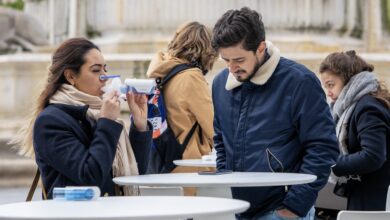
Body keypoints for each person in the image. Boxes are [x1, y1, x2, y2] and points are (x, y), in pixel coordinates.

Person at [211, 7, 339, 220]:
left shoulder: (299, 82)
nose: (231, 68)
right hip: (236, 209)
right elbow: (221, 140)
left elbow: (323, 147)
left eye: (239, 60)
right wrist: (226, 188)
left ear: (260, 48)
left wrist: (294, 206)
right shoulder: (220, 84)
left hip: (282, 210)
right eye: (226, 60)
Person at [11, 38, 152, 198]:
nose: (105, 77)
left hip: (111, 212)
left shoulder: (97, 112)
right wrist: (107, 122)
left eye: (105, 69)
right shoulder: (51, 121)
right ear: (71, 76)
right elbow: (90, 176)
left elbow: (134, 172)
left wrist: (140, 126)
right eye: (96, 70)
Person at [319, 50, 390, 211]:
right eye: (326, 87)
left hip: (376, 200)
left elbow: (373, 156)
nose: (328, 93)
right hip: (365, 196)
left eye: (331, 85)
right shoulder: (352, 108)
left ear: (348, 80)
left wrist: (328, 163)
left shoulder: (369, 108)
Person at [146, 21, 218, 178]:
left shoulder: (161, 72)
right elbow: (213, 126)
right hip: (189, 165)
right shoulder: (191, 77)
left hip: (163, 161)